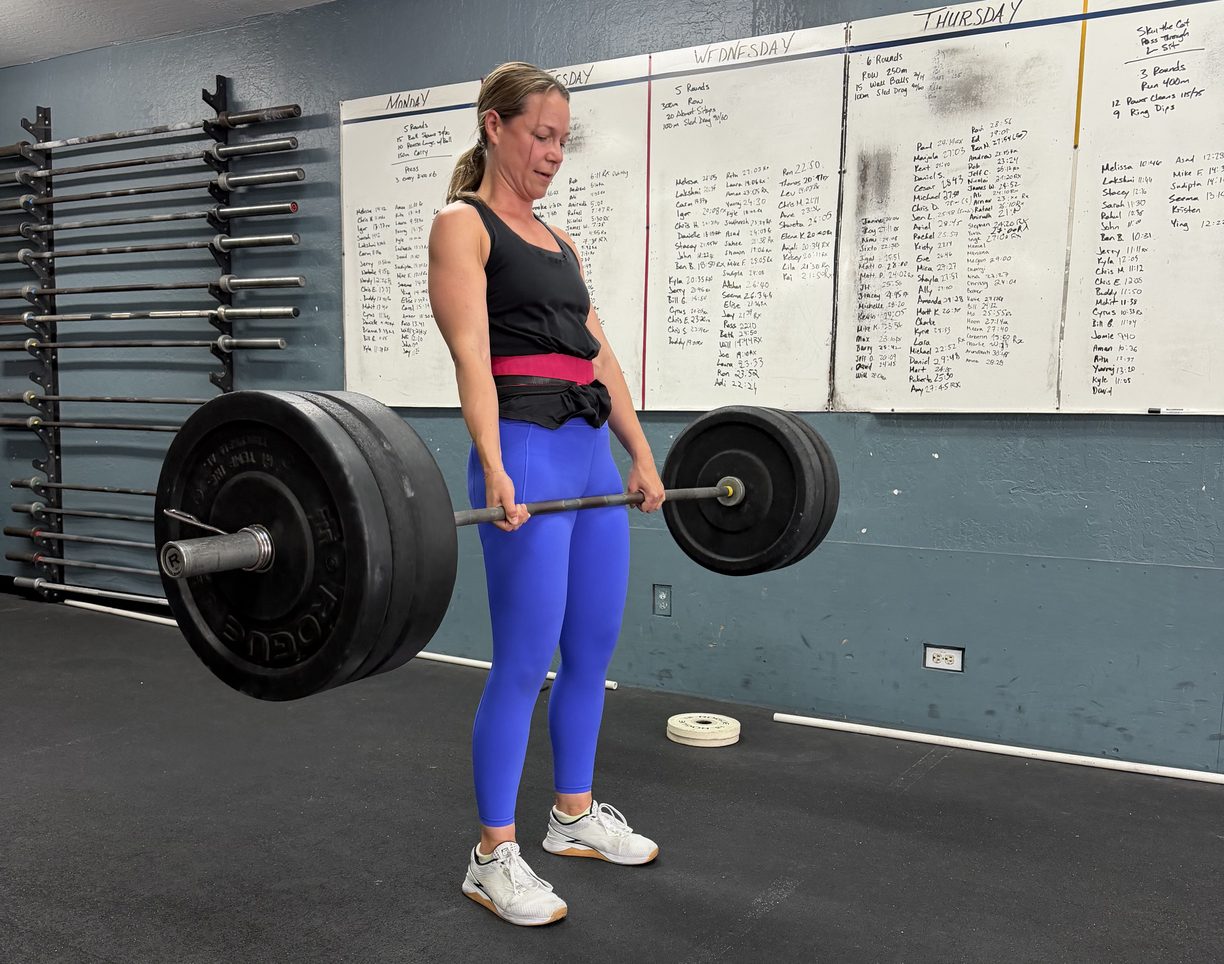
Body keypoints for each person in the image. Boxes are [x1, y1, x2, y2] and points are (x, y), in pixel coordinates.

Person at [427, 62, 666, 927]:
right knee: (525, 661)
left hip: (590, 454)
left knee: (592, 649)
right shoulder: (464, 225)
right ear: (495, 126)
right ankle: (491, 856)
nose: (554, 153)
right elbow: (470, 354)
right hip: (525, 450)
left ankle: (572, 815)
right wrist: (494, 463)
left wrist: (641, 454)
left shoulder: (562, 243)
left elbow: (599, 357)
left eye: (562, 140)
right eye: (541, 135)